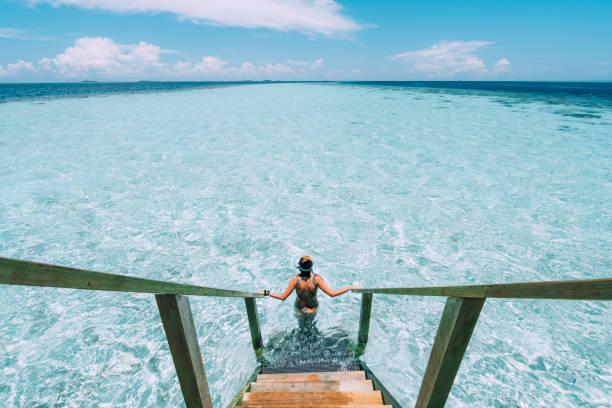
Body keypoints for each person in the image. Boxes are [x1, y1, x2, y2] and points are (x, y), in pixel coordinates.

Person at [263, 256, 356, 317]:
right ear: (311, 268)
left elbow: (282, 297)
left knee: (301, 328)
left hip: (299, 308)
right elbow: (332, 294)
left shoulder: (295, 280)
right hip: (313, 308)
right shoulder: (317, 279)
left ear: (299, 267)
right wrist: (349, 287)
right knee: (312, 327)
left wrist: (265, 292)